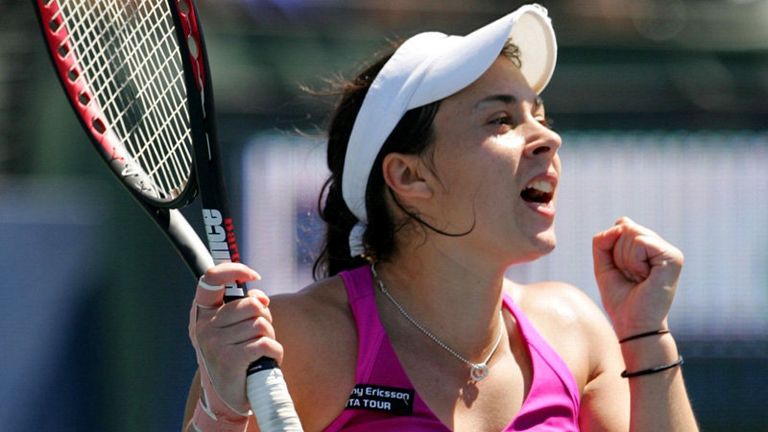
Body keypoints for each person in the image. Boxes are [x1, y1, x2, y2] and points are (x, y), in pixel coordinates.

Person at [183, 4, 698, 431]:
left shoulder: (575, 330)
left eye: (539, 116)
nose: (548, 138)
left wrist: (647, 334)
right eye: (501, 120)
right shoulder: (299, 341)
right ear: (409, 176)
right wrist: (222, 414)